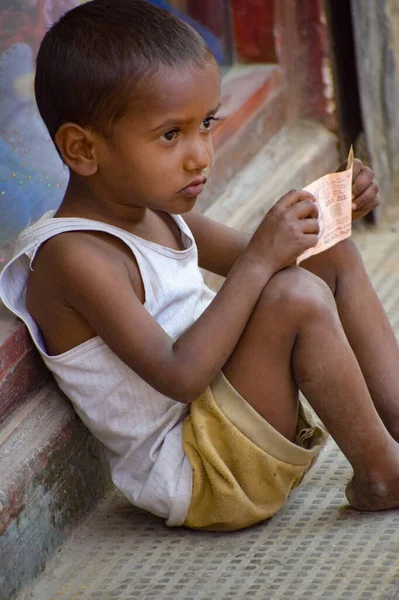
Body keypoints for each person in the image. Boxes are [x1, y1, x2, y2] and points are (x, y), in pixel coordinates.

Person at [1, 0, 399, 532]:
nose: (201, 156)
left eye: (207, 125)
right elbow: (180, 375)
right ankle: (382, 474)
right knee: (293, 296)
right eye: (171, 135)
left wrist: (329, 211)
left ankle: (392, 420)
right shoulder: (73, 255)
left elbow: (283, 255)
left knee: (326, 255)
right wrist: (262, 258)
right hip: (199, 468)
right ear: (82, 149)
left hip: (228, 419)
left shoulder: (154, 211)